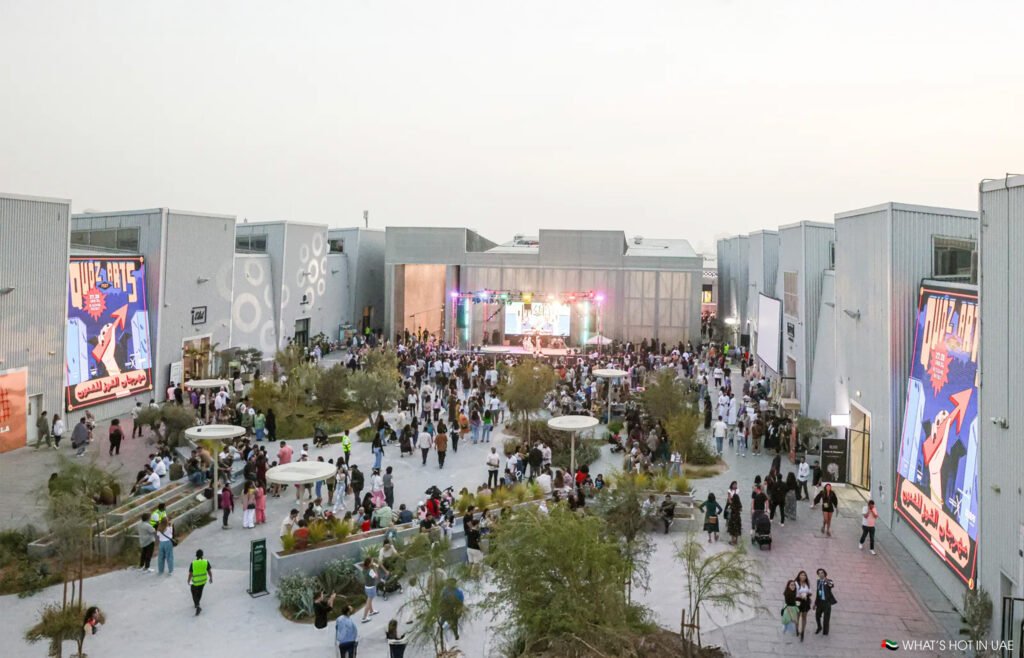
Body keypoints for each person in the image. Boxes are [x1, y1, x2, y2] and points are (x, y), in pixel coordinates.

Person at [187, 549, 212, 615]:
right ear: (202, 555)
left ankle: (197, 605)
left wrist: (188, 580)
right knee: (200, 592)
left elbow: (190, 573)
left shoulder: (193, 563)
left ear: (196, 556)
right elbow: (209, 571)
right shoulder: (206, 562)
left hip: (195, 582)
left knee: (193, 592)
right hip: (203, 581)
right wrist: (211, 578)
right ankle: (197, 604)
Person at [813, 568, 837, 636]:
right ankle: (819, 627)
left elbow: (831, 585)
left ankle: (825, 632)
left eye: (822, 573)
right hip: (820, 602)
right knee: (817, 615)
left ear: (825, 573)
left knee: (826, 618)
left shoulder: (829, 581)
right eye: (819, 573)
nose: (821, 574)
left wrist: (826, 580)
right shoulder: (818, 582)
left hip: (827, 602)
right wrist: (815, 603)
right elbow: (817, 593)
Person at [361, 557, 381, 623]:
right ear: (369, 563)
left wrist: (372, 567)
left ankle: (371, 611)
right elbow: (376, 577)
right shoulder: (370, 570)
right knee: (368, 603)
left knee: (369, 601)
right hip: (371, 588)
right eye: (372, 561)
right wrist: (375, 568)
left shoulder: (364, 569)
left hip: (366, 587)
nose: (373, 562)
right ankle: (364, 618)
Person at [795, 570, 812, 641]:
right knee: (797, 616)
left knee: (804, 616)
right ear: (799, 576)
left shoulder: (807, 583)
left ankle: (802, 632)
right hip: (798, 601)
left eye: (804, 575)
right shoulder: (796, 583)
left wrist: (807, 594)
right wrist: (801, 596)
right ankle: (796, 629)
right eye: (801, 575)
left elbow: (810, 592)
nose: (803, 576)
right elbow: (794, 593)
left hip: (805, 601)